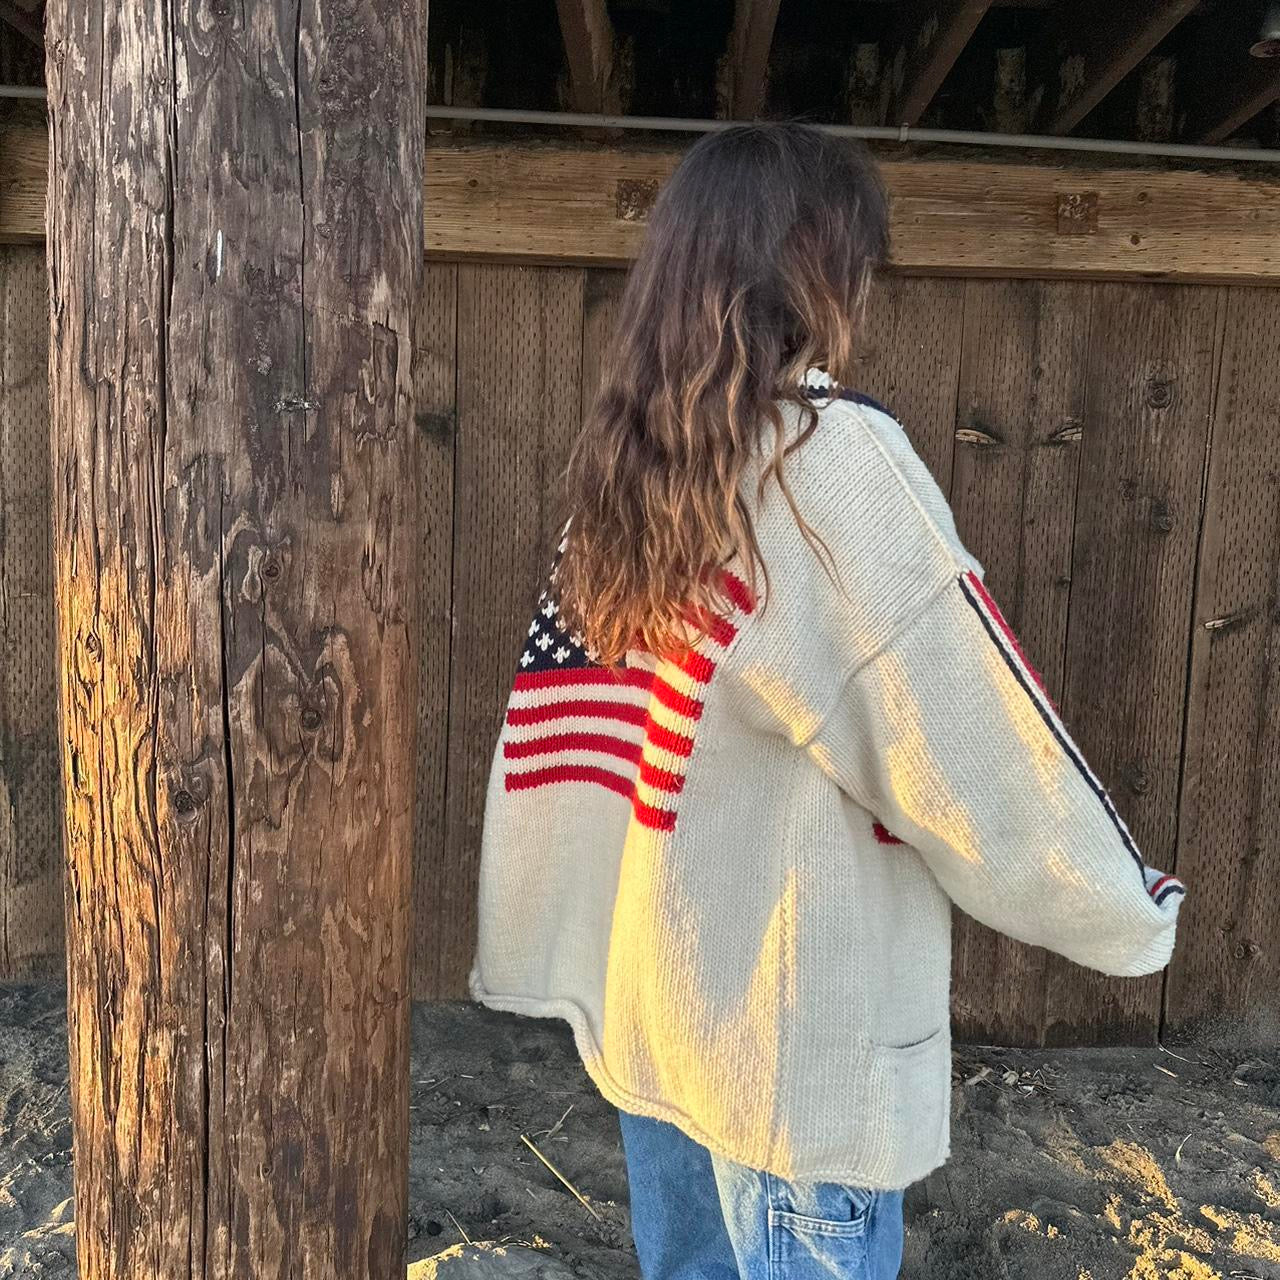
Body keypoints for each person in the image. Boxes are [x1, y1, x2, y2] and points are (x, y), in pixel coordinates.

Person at [469, 122, 1185, 1280]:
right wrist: (1120, 901)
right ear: (818, 266)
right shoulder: (829, 460)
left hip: (662, 1005)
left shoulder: (636, 465)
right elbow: (969, 733)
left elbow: (562, 745)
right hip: (794, 1044)